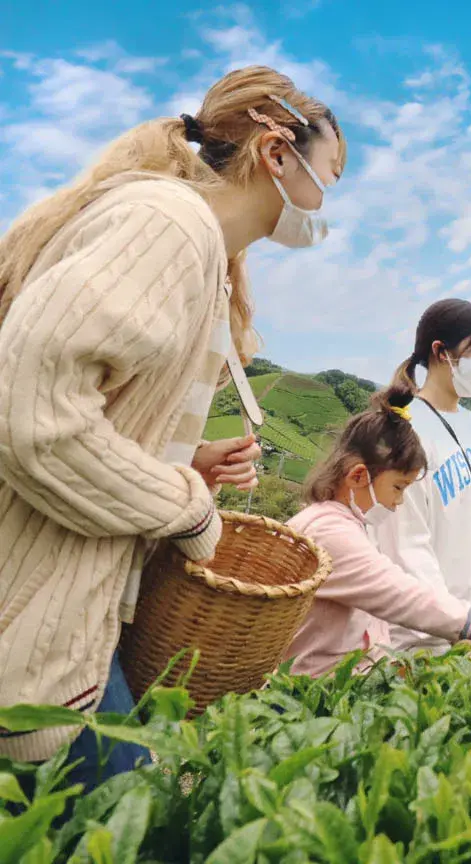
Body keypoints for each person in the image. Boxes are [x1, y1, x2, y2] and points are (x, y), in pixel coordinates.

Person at [0, 66, 346, 788]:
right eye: (330, 175)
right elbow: (33, 417)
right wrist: (185, 505)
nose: (327, 203)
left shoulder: (199, 249)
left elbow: (91, 409)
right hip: (34, 621)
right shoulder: (166, 226)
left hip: (72, 619)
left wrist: (184, 460)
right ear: (277, 151)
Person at [285, 386, 471, 677]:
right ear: (358, 476)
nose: (398, 502)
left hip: (347, 680)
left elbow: (370, 628)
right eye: (398, 487)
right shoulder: (327, 532)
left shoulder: (348, 524)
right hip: (315, 693)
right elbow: (399, 594)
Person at [375, 299, 471, 654]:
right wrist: (454, 620)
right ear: (440, 351)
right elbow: (405, 541)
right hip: (423, 628)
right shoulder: (402, 427)